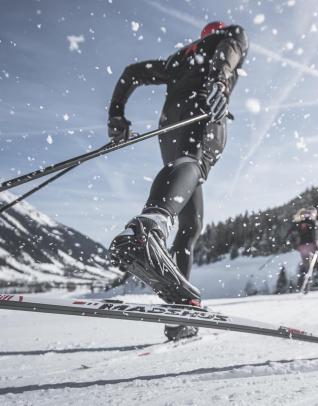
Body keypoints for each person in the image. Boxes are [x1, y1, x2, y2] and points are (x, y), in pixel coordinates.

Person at [107, 21, 249, 340]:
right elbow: (229, 52)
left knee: (190, 225)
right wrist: (220, 85)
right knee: (193, 166)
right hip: (204, 112)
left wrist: (117, 114)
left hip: (170, 126)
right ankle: (150, 227)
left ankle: (181, 311)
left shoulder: (179, 59)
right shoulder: (228, 39)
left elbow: (131, 72)